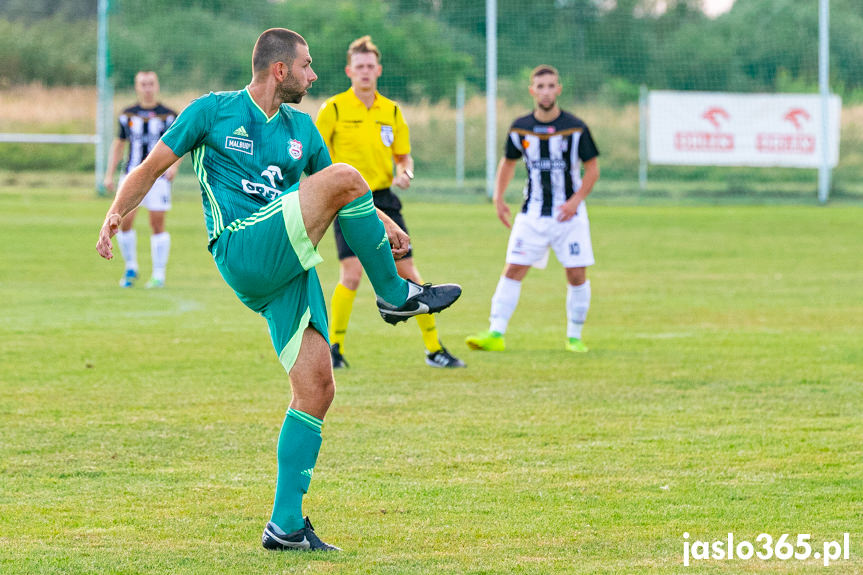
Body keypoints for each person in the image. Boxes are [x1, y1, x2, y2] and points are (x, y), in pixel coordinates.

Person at [96, 28, 461, 552]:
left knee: (317, 387)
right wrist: (115, 212)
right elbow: (151, 168)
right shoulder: (212, 111)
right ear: (280, 70)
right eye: (308, 66)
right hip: (242, 246)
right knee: (350, 175)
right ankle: (395, 294)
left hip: (286, 265)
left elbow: (332, 188)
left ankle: (285, 526)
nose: (315, 75)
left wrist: (381, 219)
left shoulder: (301, 128)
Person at [316, 36, 465, 370]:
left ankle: (434, 350)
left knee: (408, 270)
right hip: (348, 199)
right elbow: (317, 157)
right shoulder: (334, 109)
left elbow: (405, 159)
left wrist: (406, 174)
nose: (365, 72)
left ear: (378, 70)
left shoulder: (392, 110)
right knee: (351, 273)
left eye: (370, 66)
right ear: (349, 71)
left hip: (384, 198)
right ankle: (334, 349)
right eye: (359, 67)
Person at [465, 65, 599, 353]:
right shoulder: (520, 127)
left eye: (551, 85)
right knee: (513, 268)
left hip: (569, 216)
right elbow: (508, 163)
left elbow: (593, 169)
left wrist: (575, 200)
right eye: (541, 86)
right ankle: (495, 333)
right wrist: (498, 198)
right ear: (532, 91)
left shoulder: (575, 127)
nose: (546, 91)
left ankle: (574, 337)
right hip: (533, 214)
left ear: (558, 89)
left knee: (576, 274)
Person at [103, 70, 180, 288]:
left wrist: (173, 167)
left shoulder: (169, 115)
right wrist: (109, 175)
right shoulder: (128, 115)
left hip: (159, 178)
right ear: (137, 87)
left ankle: (158, 274)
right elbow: (118, 145)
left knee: (157, 223)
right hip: (131, 175)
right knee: (123, 220)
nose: (147, 88)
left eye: (151, 84)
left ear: (157, 86)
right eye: (143, 84)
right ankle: (131, 268)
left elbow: (180, 144)